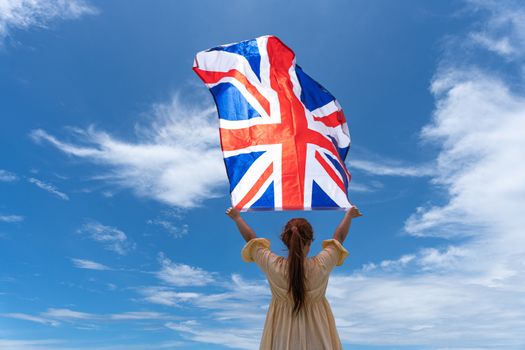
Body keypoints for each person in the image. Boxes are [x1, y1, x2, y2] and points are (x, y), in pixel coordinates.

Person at [226, 206, 363, 350]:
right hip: (319, 337)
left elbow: (252, 240)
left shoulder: (273, 266)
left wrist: (237, 217)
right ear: (309, 242)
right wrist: (349, 215)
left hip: (281, 338)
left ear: (286, 241)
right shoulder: (322, 264)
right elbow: (338, 238)